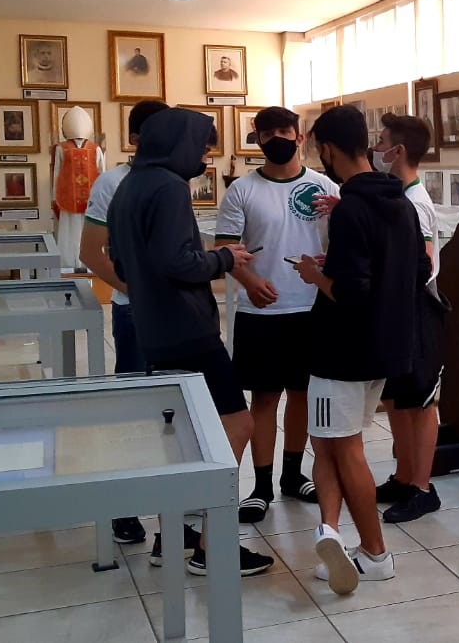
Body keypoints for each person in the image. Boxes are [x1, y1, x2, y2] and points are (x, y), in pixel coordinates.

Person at [107, 107, 275, 577]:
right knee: (236, 426)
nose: (207, 153)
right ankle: (211, 543)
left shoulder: (129, 185)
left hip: (155, 327)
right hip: (188, 328)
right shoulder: (168, 187)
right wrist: (224, 257)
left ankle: (174, 534)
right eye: (202, 145)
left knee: (185, 434)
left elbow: (123, 261)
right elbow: (179, 263)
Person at [291, 106, 428, 593]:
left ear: (327, 150)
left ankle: (375, 552)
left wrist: (315, 275)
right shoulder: (401, 204)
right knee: (329, 438)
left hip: (342, 350)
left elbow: (349, 293)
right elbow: (416, 273)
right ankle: (328, 533)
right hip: (385, 349)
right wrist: (339, 269)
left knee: (345, 447)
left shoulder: (350, 208)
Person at [214, 106, 336, 523]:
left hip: (310, 307)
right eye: (268, 134)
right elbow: (224, 250)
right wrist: (249, 281)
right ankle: (261, 485)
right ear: (258, 140)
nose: (277, 139)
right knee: (263, 398)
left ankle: (292, 474)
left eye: (285, 131)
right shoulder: (242, 190)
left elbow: (342, 245)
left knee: (302, 394)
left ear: (299, 137)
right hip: (259, 309)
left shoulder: (324, 187)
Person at [80, 98, 167, 545]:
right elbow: (90, 252)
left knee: (171, 412)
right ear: (135, 138)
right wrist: (136, 291)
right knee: (133, 407)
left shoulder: (174, 178)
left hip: (174, 315)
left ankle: (174, 506)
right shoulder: (113, 181)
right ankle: (125, 508)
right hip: (134, 311)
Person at [370, 114, 448, 523]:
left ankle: (422, 485)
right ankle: (403, 476)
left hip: (417, 310)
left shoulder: (415, 204)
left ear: (397, 151)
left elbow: (423, 264)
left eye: (381, 141)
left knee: (420, 402)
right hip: (396, 310)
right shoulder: (396, 197)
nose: (376, 148)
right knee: (396, 398)